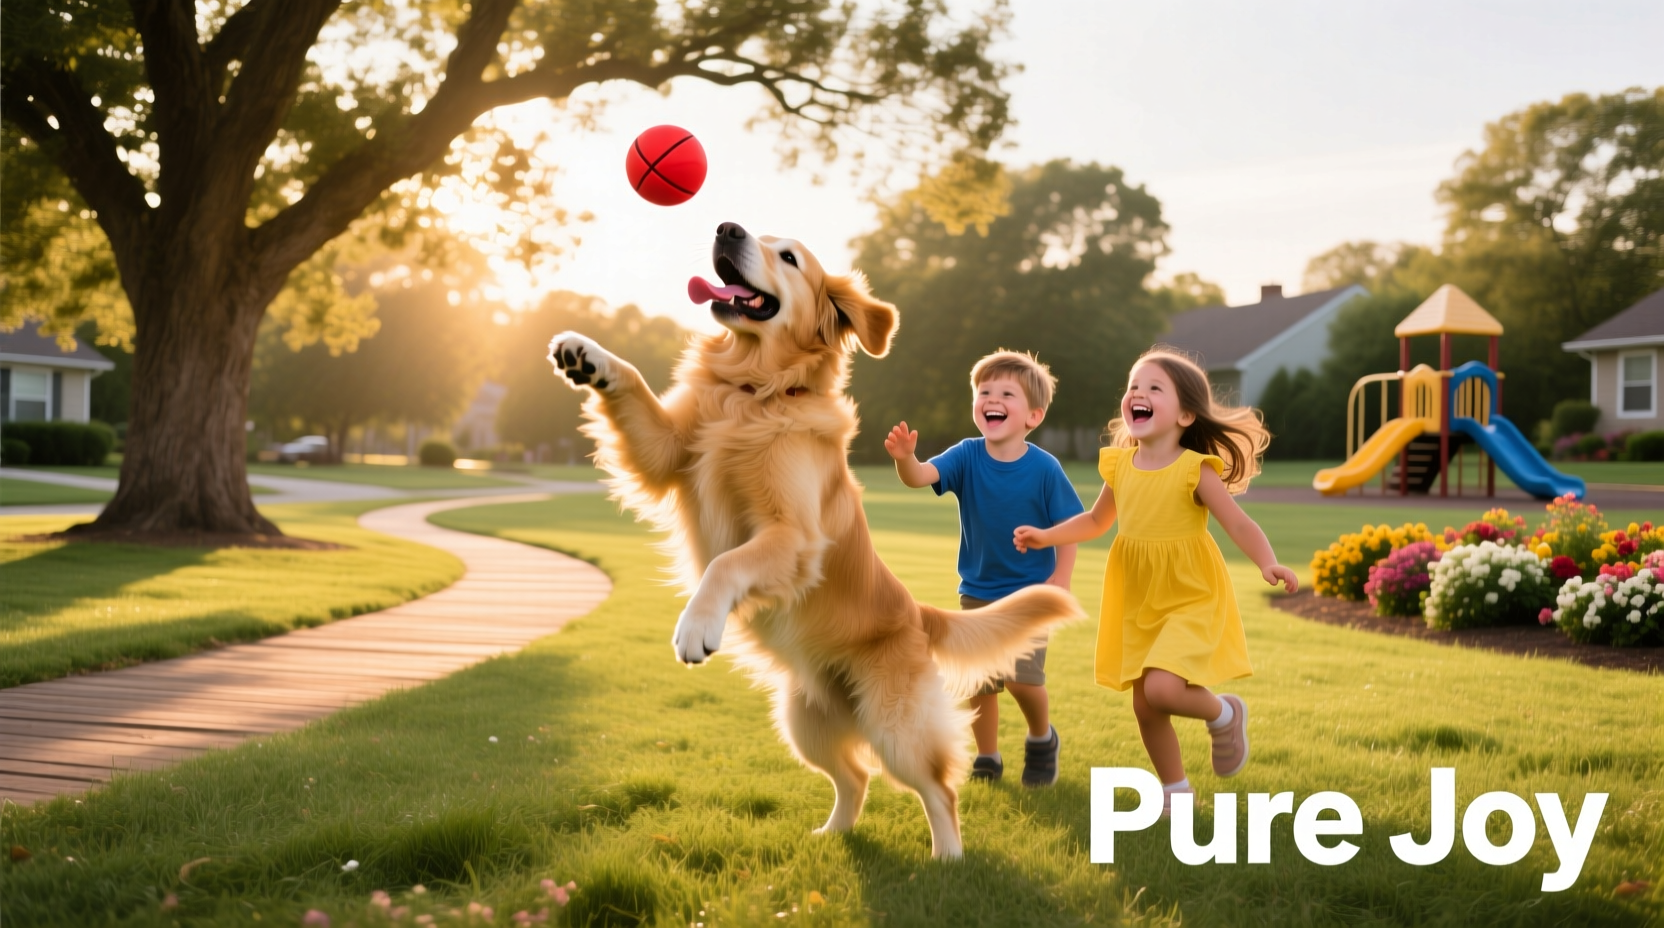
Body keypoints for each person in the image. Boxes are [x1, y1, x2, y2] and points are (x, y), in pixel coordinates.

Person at [1014, 347, 1298, 814]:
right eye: (1133, 386)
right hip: (1138, 595)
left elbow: (1237, 522)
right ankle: (1175, 792)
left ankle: (1225, 713)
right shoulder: (1121, 466)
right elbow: (1095, 521)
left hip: (1190, 593)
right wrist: (1046, 536)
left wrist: (1268, 562)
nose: (1137, 394)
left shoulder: (1194, 469)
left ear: (1185, 414)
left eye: (1153, 388)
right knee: (1145, 705)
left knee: (1163, 690)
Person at [885, 350, 1084, 787]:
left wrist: (1062, 577)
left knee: (1023, 680)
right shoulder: (966, 455)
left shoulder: (1045, 468)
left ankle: (1041, 738)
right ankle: (987, 757)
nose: (992, 399)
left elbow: (1069, 526)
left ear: (1033, 415)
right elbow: (919, 476)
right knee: (980, 682)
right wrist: (904, 458)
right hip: (977, 591)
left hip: (1030, 595)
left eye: (1006, 394)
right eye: (984, 392)